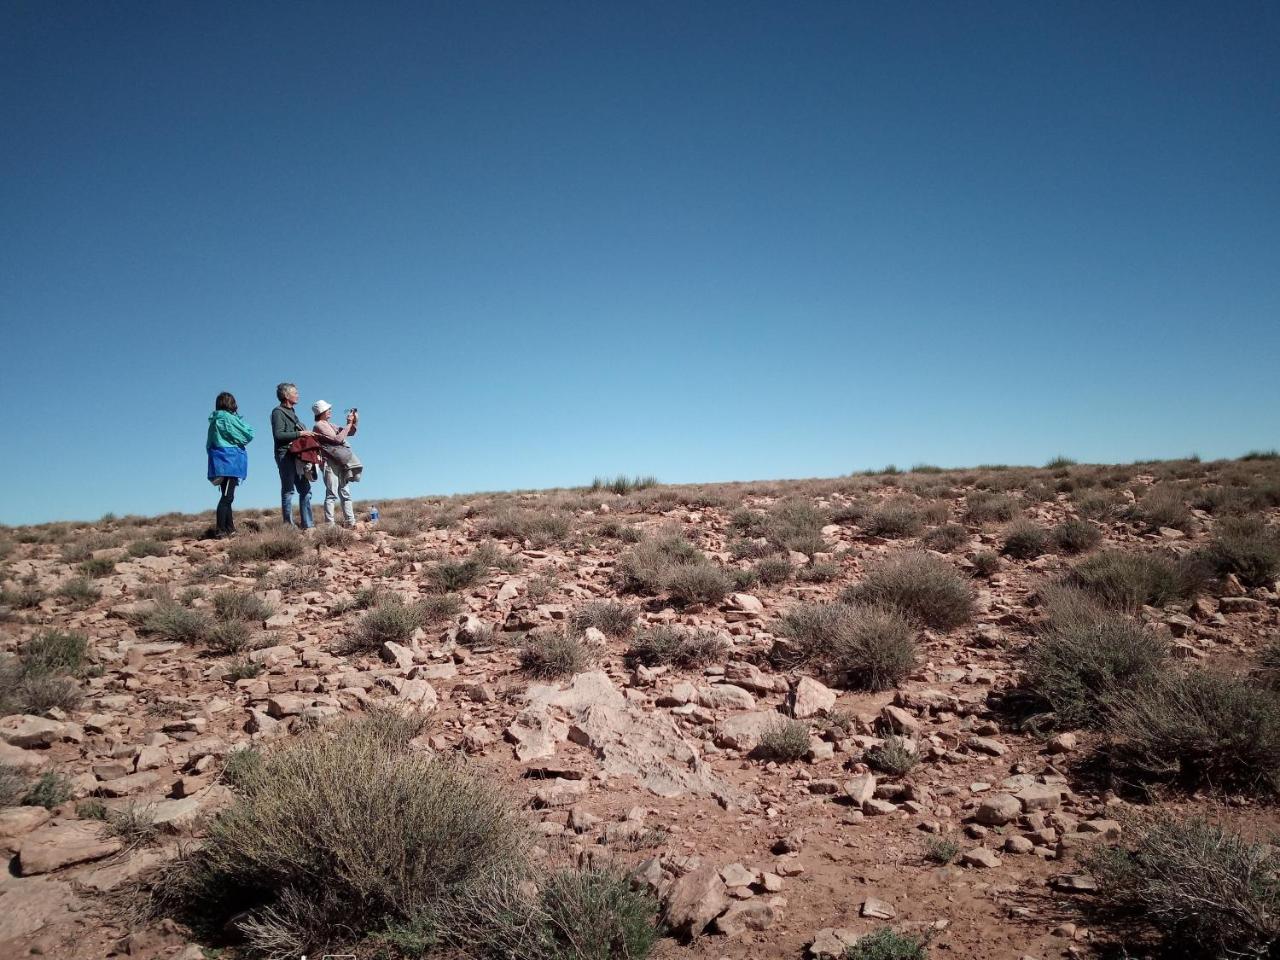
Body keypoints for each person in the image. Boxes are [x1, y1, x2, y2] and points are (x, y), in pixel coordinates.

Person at [206, 392, 254, 538]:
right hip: (231, 461)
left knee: (227, 496)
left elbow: (210, 443)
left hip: (219, 461)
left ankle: (230, 527)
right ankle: (221, 530)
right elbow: (248, 433)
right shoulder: (229, 419)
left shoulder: (215, 420)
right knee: (227, 497)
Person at [270, 382, 315, 529]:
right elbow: (278, 435)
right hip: (285, 455)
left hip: (297, 456)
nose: (298, 395)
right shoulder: (278, 412)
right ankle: (288, 526)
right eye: (295, 392)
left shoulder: (293, 413)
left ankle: (308, 525)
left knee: (305, 490)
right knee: (289, 490)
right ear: (286, 395)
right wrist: (300, 433)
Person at [312, 401, 360, 526]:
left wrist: (354, 422)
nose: (330, 411)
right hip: (329, 462)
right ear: (322, 411)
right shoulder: (319, 426)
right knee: (332, 493)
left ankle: (350, 521)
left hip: (339, 461)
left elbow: (350, 432)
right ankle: (330, 524)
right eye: (328, 409)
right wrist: (349, 424)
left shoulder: (330, 424)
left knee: (345, 492)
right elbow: (338, 439)